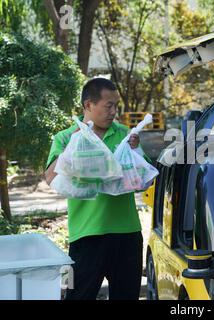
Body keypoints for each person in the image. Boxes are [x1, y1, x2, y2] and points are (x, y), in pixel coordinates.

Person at [45, 78, 149, 300]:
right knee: (77, 295)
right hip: (85, 236)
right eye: (108, 105)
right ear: (88, 105)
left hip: (127, 234)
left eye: (116, 106)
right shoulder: (65, 137)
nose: (113, 111)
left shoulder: (125, 135)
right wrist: (72, 147)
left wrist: (137, 150)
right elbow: (50, 176)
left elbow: (144, 178)